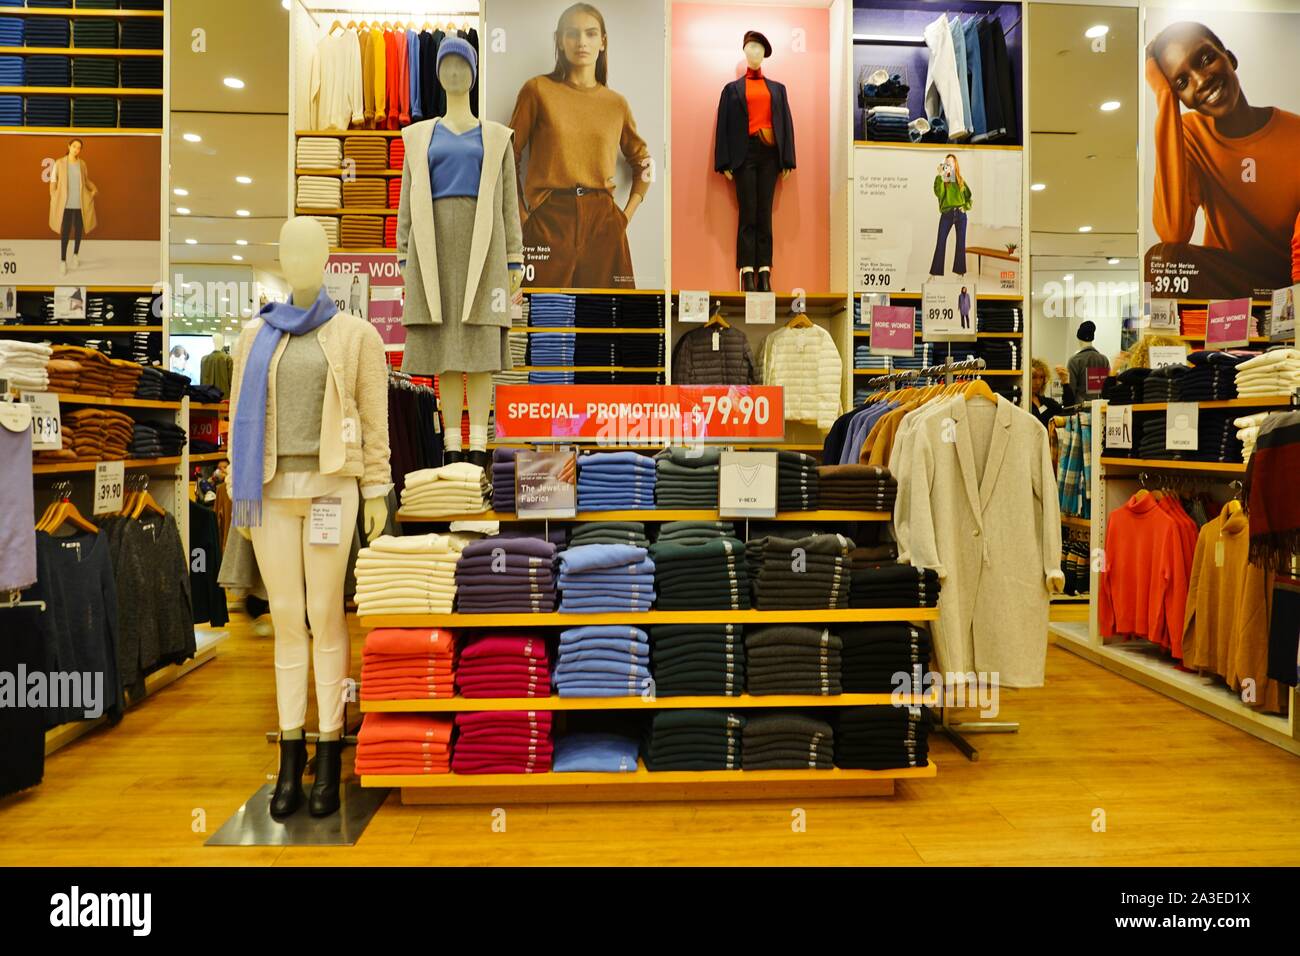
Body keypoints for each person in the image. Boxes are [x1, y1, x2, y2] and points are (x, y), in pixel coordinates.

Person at [1145, 20, 1300, 298]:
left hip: (1290, 282)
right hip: (1231, 281)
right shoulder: (1190, 133)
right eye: (1182, 82)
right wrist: (1165, 99)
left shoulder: (1296, 133)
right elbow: (1173, 231)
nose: (1201, 80)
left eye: (1205, 59)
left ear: (1230, 58)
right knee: (1162, 259)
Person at [509, 3, 651, 288]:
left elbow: (645, 163)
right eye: (572, 34)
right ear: (560, 41)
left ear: (602, 42)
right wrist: (524, 217)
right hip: (548, 220)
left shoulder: (616, 103)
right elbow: (507, 155)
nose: (581, 41)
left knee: (610, 321)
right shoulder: (537, 90)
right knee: (539, 318)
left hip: (604, 222)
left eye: (590, 33)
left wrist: (624, 217)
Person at [48, 138, 97, 276]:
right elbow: (53, 181)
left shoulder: (82, 164)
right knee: (65, 232)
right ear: (69, 146)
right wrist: (53, 196)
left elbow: (86, 181)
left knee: (79, 230)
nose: (76, 149)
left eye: (79, 147)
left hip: (80, 203)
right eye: (74, 146)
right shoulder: (59, 163)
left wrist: (93, 190)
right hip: (66, 204)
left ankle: (75, 255)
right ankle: (63, 261)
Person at [929, 153, 971, 277]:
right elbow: (939, 194)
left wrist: (966, 207)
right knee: (941, 242)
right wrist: (940, 175)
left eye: (951, 162)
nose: (949, 164)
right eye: (947, 162)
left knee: (960, 243)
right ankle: (935, 274)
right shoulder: (942, 180)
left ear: (955, 164)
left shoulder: (961, 180)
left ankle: (960, 273)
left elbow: (969, 197)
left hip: (960, 215)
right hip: (947, 214)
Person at [1067, 320, 1110, 400]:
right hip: (1101, 408)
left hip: (1080, 409)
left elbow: (1070, 391)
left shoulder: (1074, 361)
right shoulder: (1104, 360)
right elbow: (1107, 387)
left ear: (1078, 338)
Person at [1030, 358, 1067, 428]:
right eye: (1033, 377)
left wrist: (1065, 383)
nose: (1038, 382)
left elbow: (1066, 412)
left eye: (1041, 377)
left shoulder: (1046, 402)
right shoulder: (1021, 401)